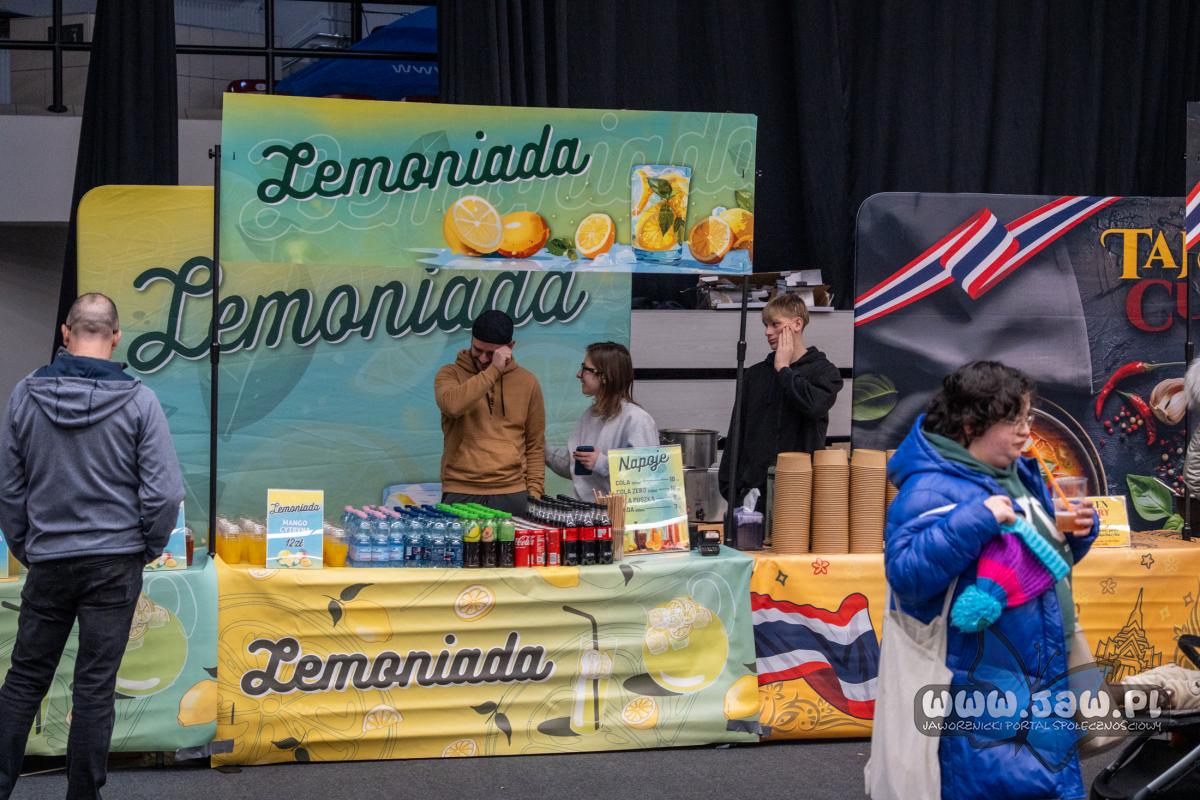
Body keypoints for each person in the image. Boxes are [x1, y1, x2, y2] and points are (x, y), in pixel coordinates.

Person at [882, 361, 1098, 800]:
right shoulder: (928, 488)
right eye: (1013, 420)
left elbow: (1038, 568)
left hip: (1038, 668)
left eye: (1027, 418)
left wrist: (1077, 534)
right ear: (970, 423)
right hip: (979, 680)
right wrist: (977, 518)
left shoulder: (1018, 476)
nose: (1025, 431)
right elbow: (907, 575)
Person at [0, 293, 184, 799]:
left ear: (66, 333)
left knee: (25, 679)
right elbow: (164, 494)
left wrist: (29, 547)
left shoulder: (24, 395)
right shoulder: (141, 401)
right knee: (96, 686)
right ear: (116, 337)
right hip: (114, 563)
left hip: (49, 560)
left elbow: (9, 489)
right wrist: (146, 548)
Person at [718, 292, 843, 508]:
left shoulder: (824, 372)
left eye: (775, 324)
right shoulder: (755, 375)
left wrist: (784, 369)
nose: (768, 332)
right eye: (766, 325)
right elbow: (737, 431)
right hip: (753, 495)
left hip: (799, 490)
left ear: (797, 324)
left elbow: (815, 406)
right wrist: (731, 489)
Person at [435, 309, 545, 515]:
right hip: (461, 489)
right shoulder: (450, 373)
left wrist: (534, 493)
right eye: (478, 349)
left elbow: (535, 444)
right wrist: (494, 369)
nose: (484, 358)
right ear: (471, 340)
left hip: (512, 490)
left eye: (491, 353)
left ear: (510, 347)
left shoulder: (527, 381)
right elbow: (452, 406)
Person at [546, 342, 659, 500]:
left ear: (605, 376)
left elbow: (649, 475)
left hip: (619, 514)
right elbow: (574, 466)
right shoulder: (590, 415)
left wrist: (603, 463)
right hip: (585, 511)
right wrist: (540, 448)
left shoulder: (637, 419)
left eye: (585, 369)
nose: (578, 374)